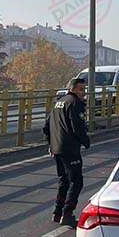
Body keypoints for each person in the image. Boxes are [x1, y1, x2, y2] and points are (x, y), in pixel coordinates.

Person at [43, 77, 91, 226]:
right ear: (73, 89)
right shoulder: (75, 103)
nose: (83, 93)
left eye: (84, 89)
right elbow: (77, 126)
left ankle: (57, 212)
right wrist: (86, 141)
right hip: (69, 148)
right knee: (76, 181)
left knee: (64, 180)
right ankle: (67, 213)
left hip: (57, 148)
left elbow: (46, 126)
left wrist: (51, 144)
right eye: (81, 89)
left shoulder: (59, 102)